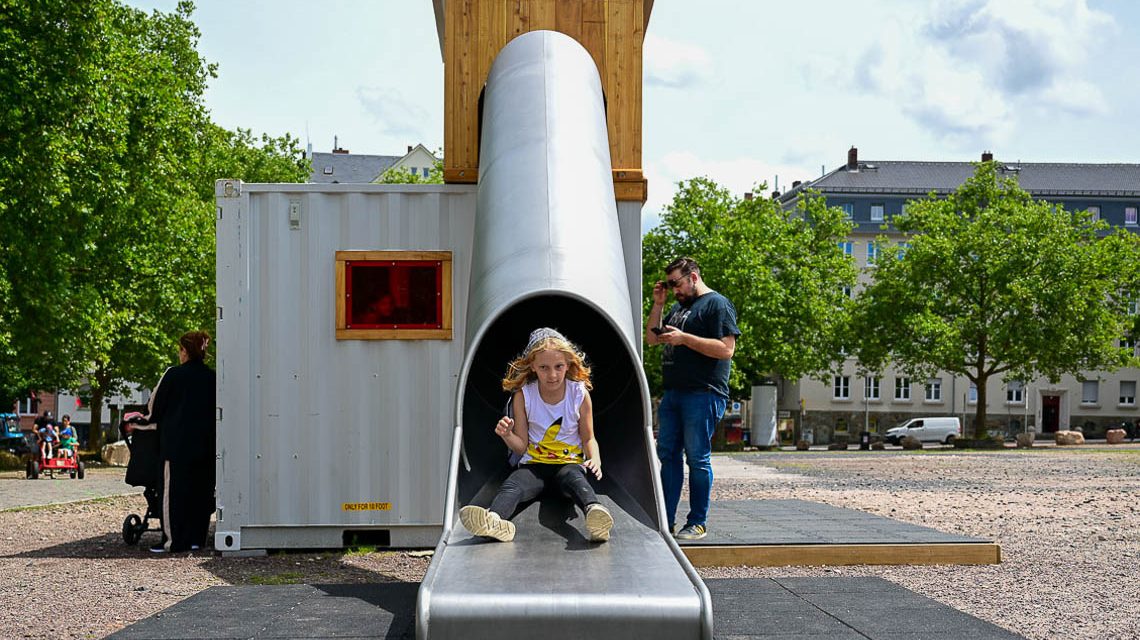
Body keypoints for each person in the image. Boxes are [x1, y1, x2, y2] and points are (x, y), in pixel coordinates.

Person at [458, 328, 614, 543]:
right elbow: (521, 446)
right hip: (534, 465)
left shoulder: (578, 394)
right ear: (533, 367)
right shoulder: (524, 395)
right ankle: (494, 521)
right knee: (514, 484)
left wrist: (594, 458)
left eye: (558, 367)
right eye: (544, 368)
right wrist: (507, 435)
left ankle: (595, 514)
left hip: (567, 463)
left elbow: (588, 437)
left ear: (568, 364)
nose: (552, 375)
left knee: (575, 479)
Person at [646, 256, 740, 541]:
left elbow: (726, 349)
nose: (675, 289)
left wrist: (685, 339)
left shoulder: (717, 304)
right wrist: (659, 304)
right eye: (670, 284)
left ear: (694, 277)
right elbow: (651, 339)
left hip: (704, 392)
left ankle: (697, 522)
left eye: (677, 283)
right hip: (674, 393)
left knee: (697, 458)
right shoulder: (676, 307)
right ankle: (666, 521)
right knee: (668, 457)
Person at [145, 331, 216, 553]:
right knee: (201, 492)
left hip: (175, 445)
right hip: (206, 445)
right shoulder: (212, 377)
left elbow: (153, 408)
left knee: (173, 493)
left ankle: (173, 540)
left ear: (184, 351)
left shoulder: (173, 375)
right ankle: (197, 539)